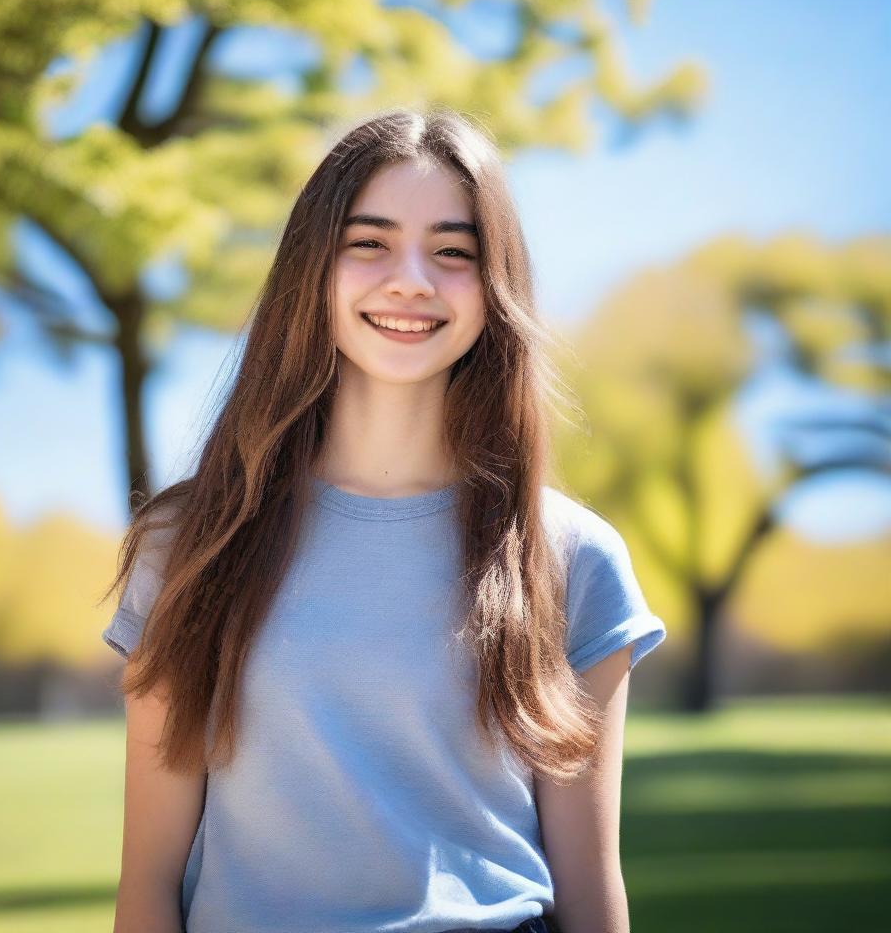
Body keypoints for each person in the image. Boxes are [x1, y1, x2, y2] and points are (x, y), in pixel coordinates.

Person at [99, 107, 667, 933]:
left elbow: (590, 889)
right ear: (311, 271)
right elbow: (148, 884)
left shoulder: (573, 557)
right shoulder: (188, 544)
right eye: (369, 243)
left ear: (494, 285)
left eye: (452, 251)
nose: (412, 280)